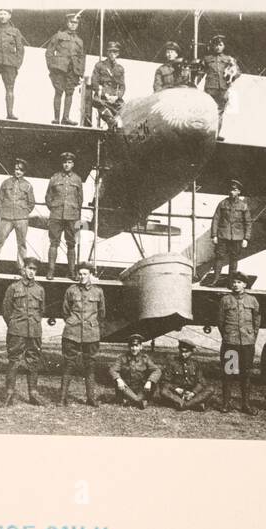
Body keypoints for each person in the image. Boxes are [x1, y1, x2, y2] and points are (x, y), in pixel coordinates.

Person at [1, 255, 46, 405]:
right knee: (14, 361)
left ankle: (33, 394)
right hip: (17, 330)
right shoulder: (13, 288)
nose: (32, 272)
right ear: (24, 269)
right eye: (29, 268)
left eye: (34, 269)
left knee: (33, 361)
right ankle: (9, 394)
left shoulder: (40, 289)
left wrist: (33, 323)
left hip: (34, 331)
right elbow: (6, 310)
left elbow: (41, 310)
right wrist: (14, 324)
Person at [60, 260, 104, 406]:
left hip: (91, 334)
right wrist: (73, 322)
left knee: (90, 365)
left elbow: (102, 314)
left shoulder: (98, 291)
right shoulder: (70, 290)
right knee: (68, 364)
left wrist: (91, 325)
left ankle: (91, 398)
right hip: (72, 333)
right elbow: (65, 312)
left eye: (85, 274)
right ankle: (62, 397)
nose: (82, 276)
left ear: (91, 275)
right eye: (80, 274)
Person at [217, 273, 261, 415]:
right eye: (234, 282)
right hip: (231, 343)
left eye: (239, 282)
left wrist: (252, 336)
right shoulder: (225, 300)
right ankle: (226, 403)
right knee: (228, 373)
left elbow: (256, 321)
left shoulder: (252, 300)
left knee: (246, 374)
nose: (235, 284)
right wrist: (227, 335)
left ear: (245, 285)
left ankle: (246, 405)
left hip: (247, 344)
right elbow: (220, 321)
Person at [45, 151, 84, 280]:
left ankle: (72, 272)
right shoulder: (55, 178)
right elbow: (48, 197)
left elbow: (80, 200)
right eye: (65, 162)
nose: (67, 165)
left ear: (73, 164)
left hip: (72, 216)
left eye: (69, 162)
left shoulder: (77, 179)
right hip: (56, 215)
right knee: (53, 243)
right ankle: (51, 271)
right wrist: (54, 208)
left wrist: (74, 212)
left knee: (71, 243)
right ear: (62, 164)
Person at [0, 8, 26, 119]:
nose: (2, 16)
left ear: (9, 16)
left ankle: (10, 114)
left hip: (9, 64)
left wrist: (17, 64)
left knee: (10, 88)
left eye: (5, 14)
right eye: (0, 14)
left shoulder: (15, 31)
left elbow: (20, 49)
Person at [44, 12, 85, 125]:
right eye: (71, 22)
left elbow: (82, 57)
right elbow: (49, 52)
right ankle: (56, 119)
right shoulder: (59, 35)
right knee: (58, 91)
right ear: (67, 23)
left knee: (69, 93)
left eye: (75, 23)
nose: (73, 25)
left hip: (73, 70)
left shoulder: (79, 41)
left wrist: (80, 72)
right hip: (60, 68)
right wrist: (51, 66)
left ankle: (65, 118)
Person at [199, 34, 240, 141]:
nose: (218, 47)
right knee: (207, 111)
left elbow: (237, 72)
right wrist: (195, 83)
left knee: (220, 113)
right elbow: (200, 73)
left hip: (223, 89)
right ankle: (206, 133)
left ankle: (216, 134)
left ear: (224, 46)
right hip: (210, 89)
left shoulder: (229, 59)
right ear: (212, 46)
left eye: (220, 45)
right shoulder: (207, 59)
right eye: (216, 45)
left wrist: (231, 77)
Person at [209, 179, 251, 282]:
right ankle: (215, 280)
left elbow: (248, 222)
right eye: (231, 190)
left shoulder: (243, 205)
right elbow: (216, 219)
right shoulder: (222, 203)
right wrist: (214, 235)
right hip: (223, 235)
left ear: (239, 192)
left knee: (234, 259)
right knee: (219, 257)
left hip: (237, 237)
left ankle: (231, 281)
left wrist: (246, 238)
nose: (232, 192)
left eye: (234, 190)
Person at [158, 340, 214, 411]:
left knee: (210, 389)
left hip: (192, 392)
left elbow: (201, 382)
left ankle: (183, 405)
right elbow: (164, 381)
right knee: (163, 391)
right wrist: (175, 388)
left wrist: (193, 393)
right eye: (181, 351)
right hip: (177, 393)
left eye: (186, 352)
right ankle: (194, 404)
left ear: (191, 352)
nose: (183, 354)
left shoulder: (196, 364)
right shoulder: (172, 363)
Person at [110, 334, 162, 408]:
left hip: (141, 389)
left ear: (141, 347)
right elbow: (112, 370)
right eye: (132, 346)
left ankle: (131, 400)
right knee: (118, 381)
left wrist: (149, 381)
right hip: (127, 388)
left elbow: (157, 370)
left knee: (153, 382)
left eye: (136, 346)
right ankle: (139, 401)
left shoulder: (145, 358)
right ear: (129, 347)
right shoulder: (122, 358)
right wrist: (118, 379)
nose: (134, 349)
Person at [91, 41, 126, 129]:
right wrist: (104, 94)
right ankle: (111, 123)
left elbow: (122, 86)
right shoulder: (99, 65)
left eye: (114, 52)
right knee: (101, 106)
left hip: (115, 98)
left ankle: (118, 126)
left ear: (117, 54)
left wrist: (117, 97)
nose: (112, 54)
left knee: (125, 110)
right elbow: (94, 82)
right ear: (107, 53)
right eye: (110, 52)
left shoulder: (120, 68)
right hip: (102, 97)